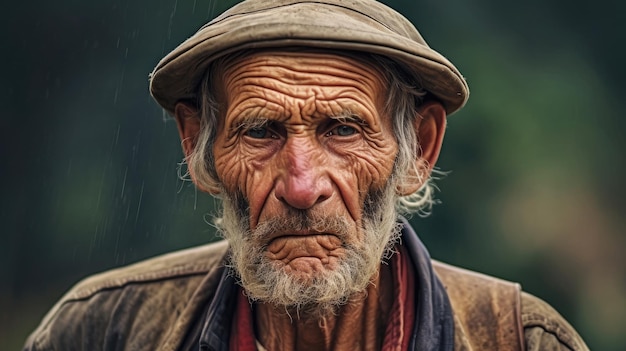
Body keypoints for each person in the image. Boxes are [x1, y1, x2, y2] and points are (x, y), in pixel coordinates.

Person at [24, 0, 589, 350]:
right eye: (261, 131)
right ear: (199, 145)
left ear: (418, 147)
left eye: (343, 130)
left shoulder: (521, 341)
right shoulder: (104, 331)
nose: (301, 185)